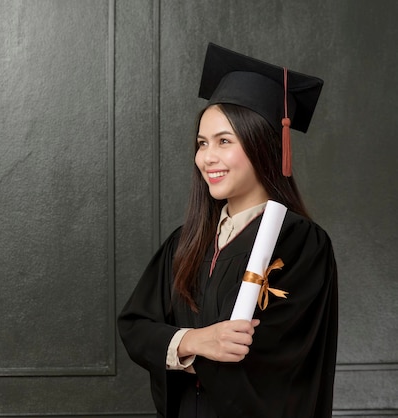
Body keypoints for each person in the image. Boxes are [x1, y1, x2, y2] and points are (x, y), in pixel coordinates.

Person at [117, 43, 338, 418]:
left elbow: (280, 359)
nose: (208, 157)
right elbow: (136, 327)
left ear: (263, 144)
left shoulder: (301, 242)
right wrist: (198, 340)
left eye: (224, 141)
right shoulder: (186, 241)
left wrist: (180, 347)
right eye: (202, 143)